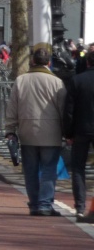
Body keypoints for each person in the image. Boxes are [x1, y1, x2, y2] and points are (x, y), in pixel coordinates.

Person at [5, 47, 67, 216]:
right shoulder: (57, 82)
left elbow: (12, 107)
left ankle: (34, 203)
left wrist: (10, 130)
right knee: (49, 169)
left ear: (32, 61)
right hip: (51, 133)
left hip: (27, 131)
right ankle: (45, 204)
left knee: (30, 170)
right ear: (48, 62)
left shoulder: (21, 80)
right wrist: (66, 132)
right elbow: (63, 109)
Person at [64, 56, 94, 221]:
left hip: (81, 130)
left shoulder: (77, 80)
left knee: (78, 168)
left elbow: (69, 110)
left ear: (88, 62)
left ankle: (80, 207)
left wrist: (68, 133)